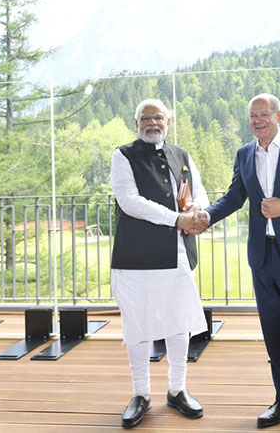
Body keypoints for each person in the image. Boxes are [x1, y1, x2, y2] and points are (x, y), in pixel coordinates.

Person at [198, 93, 280, 433]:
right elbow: (234, 196)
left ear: (279, 116)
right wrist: (206, 216)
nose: (257, 120)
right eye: (252, 116)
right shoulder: (245, 154)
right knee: (274, 333)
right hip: (262, 256)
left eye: (263, 114)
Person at [109, 98, 212, 429]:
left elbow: (198, 193)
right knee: (137, 326)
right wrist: (177, 219)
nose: (152, 123)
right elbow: (129, 201)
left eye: (158, 118)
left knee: (178, 322)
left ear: (168, 122)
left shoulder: (181, 156)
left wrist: (195, 211)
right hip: (136, 256)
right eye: (145, 118)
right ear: (135, 123)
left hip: (177, 255)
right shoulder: (123, 156)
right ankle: (141, 394)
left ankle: (177, 389)